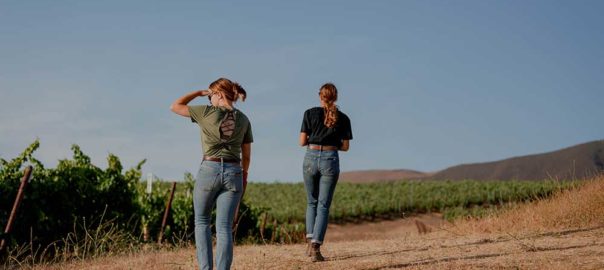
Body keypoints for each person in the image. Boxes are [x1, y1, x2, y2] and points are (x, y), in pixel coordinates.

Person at [170, 78, 253, 270]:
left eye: (211, 96)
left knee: (202, 222)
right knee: (224, 228)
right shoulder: (244, 119)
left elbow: (175, 106)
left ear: (219, 94)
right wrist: (244, 175)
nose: (210, 100)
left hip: (209, 169)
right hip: (234, 172)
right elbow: (246, 155)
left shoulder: (206, 112)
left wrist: (199, 93)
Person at [299, 82, 353, 262]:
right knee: (323, 205)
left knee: (311, 202)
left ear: (319, 95)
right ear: (335, 96)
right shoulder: (344, 118)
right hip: (330, 158)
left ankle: (308, 242)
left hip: (310, 157)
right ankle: (315, 248)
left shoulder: (309, 113)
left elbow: (301, 141)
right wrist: (332, 144)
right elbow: (345, 147)